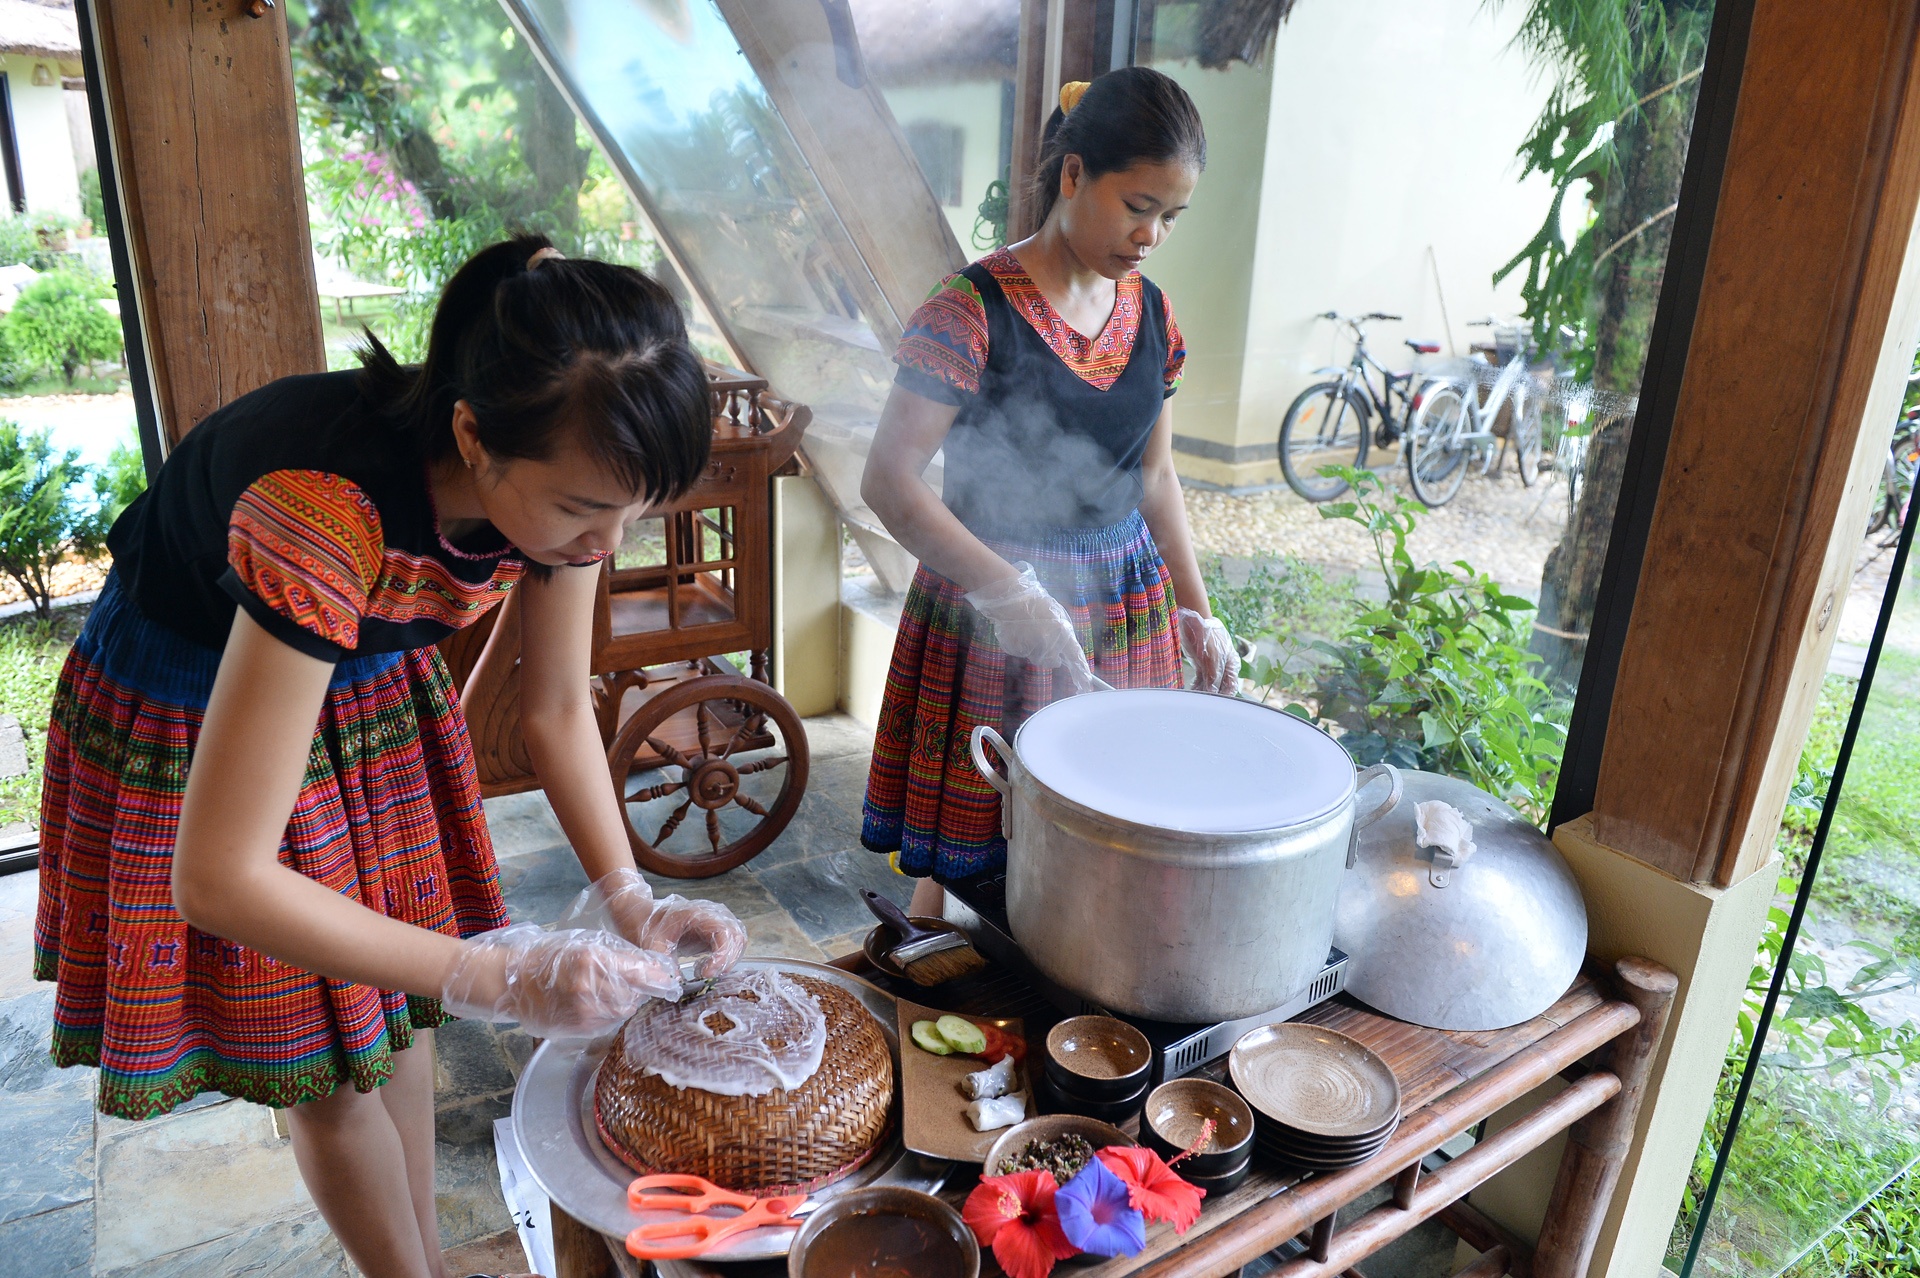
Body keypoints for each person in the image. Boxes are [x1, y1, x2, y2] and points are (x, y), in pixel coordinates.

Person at [31, 235, 747, 1278]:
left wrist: (629, 896)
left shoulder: (558, 483)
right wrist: (497, 975)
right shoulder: (319, 514)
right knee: (328, 1066)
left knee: (397, 1020)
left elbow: (551, 707)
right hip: (199, 703)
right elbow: (219, 876)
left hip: (359, 684)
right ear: (472, 435)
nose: (607, 544)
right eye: (588, 512)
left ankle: (427, 1262)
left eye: (634, 514)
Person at [859, 68, 1236, 910]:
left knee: (1106, 841)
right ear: (1073, 176)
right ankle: (932, 986)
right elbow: (887, 482)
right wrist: (1006, 591)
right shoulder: (968, 310)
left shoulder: (1154, 315)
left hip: (1124, 601)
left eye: (1172, 216)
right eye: (1138, 205)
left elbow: (1156, 475)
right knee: (967, 853)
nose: (1152, 236)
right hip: (993, 607)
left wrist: (1197, 609)